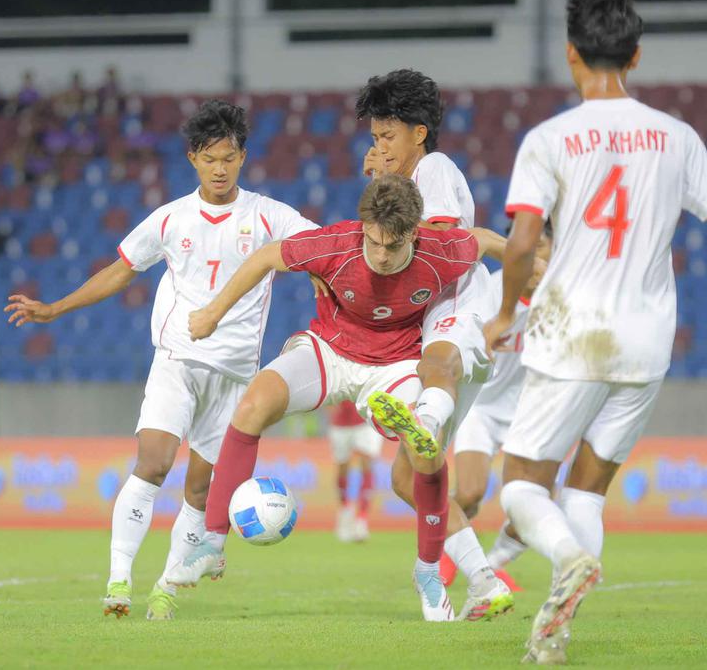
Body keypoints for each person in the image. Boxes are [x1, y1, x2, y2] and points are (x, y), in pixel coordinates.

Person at [482, 0, 707, 664]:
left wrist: (502, 314)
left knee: (524, 485)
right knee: (585, 487)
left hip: (571, 334)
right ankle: (555, 636)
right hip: (645, 343)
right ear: (635, 55)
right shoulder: (676, 137)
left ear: (569, 55)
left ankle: (565, 561)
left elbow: (523, 242)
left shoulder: (550, 139)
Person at [4, 100, 318, 621]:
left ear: (243, 158)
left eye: (230, 157)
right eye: (211, 158)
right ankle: (119, 580)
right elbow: (120, 269)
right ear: (193, 158)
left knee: (200, 488)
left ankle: (166, 589)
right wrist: (55, 308)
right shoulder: (171, 219)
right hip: (178, 361)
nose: (221, 168)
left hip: (237, 378)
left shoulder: (269, 215)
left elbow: (322, 248)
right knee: (152, 463)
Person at [165, 174, 509, 622]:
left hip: (396, 364)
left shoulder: (441, 251)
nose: (382, 256)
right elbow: (267, 256)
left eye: (394, 246)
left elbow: (482, 240)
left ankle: (427, 571)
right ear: (362, 226)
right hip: (330, 351)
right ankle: (213, 540)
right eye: (374, 242)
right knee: (252, 404)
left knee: (423, 454)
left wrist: (536, 259)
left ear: (415, 234)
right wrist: (213, 312)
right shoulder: (335, 245)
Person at [354, 69, 515, 622]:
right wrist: (377, 193)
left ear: (419, 134)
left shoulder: (436, 169)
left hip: (459, 309)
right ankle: (486, 581)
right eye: (375, 138)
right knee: (407, 477)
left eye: (388, 136)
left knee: (434, 362)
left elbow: (441, 244)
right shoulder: (405, 181)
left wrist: (384, 192)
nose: (380, 148)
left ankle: (423, 414)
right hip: (441, 325)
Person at [441, 229, 551, 592]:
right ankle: (437, 561)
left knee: (534, 504)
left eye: (542, 249)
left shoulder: (562, 294)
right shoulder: (490, 291)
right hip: (482, 407)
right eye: (528, 251)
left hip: (529, 410)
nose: (536, 260)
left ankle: (490, 566)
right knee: (470, 493)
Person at [327, 400, 379, 542]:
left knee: (367, 464)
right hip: (341, 422)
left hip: (366, 420)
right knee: (342, 468)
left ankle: (361, 520)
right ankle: (345, 512)